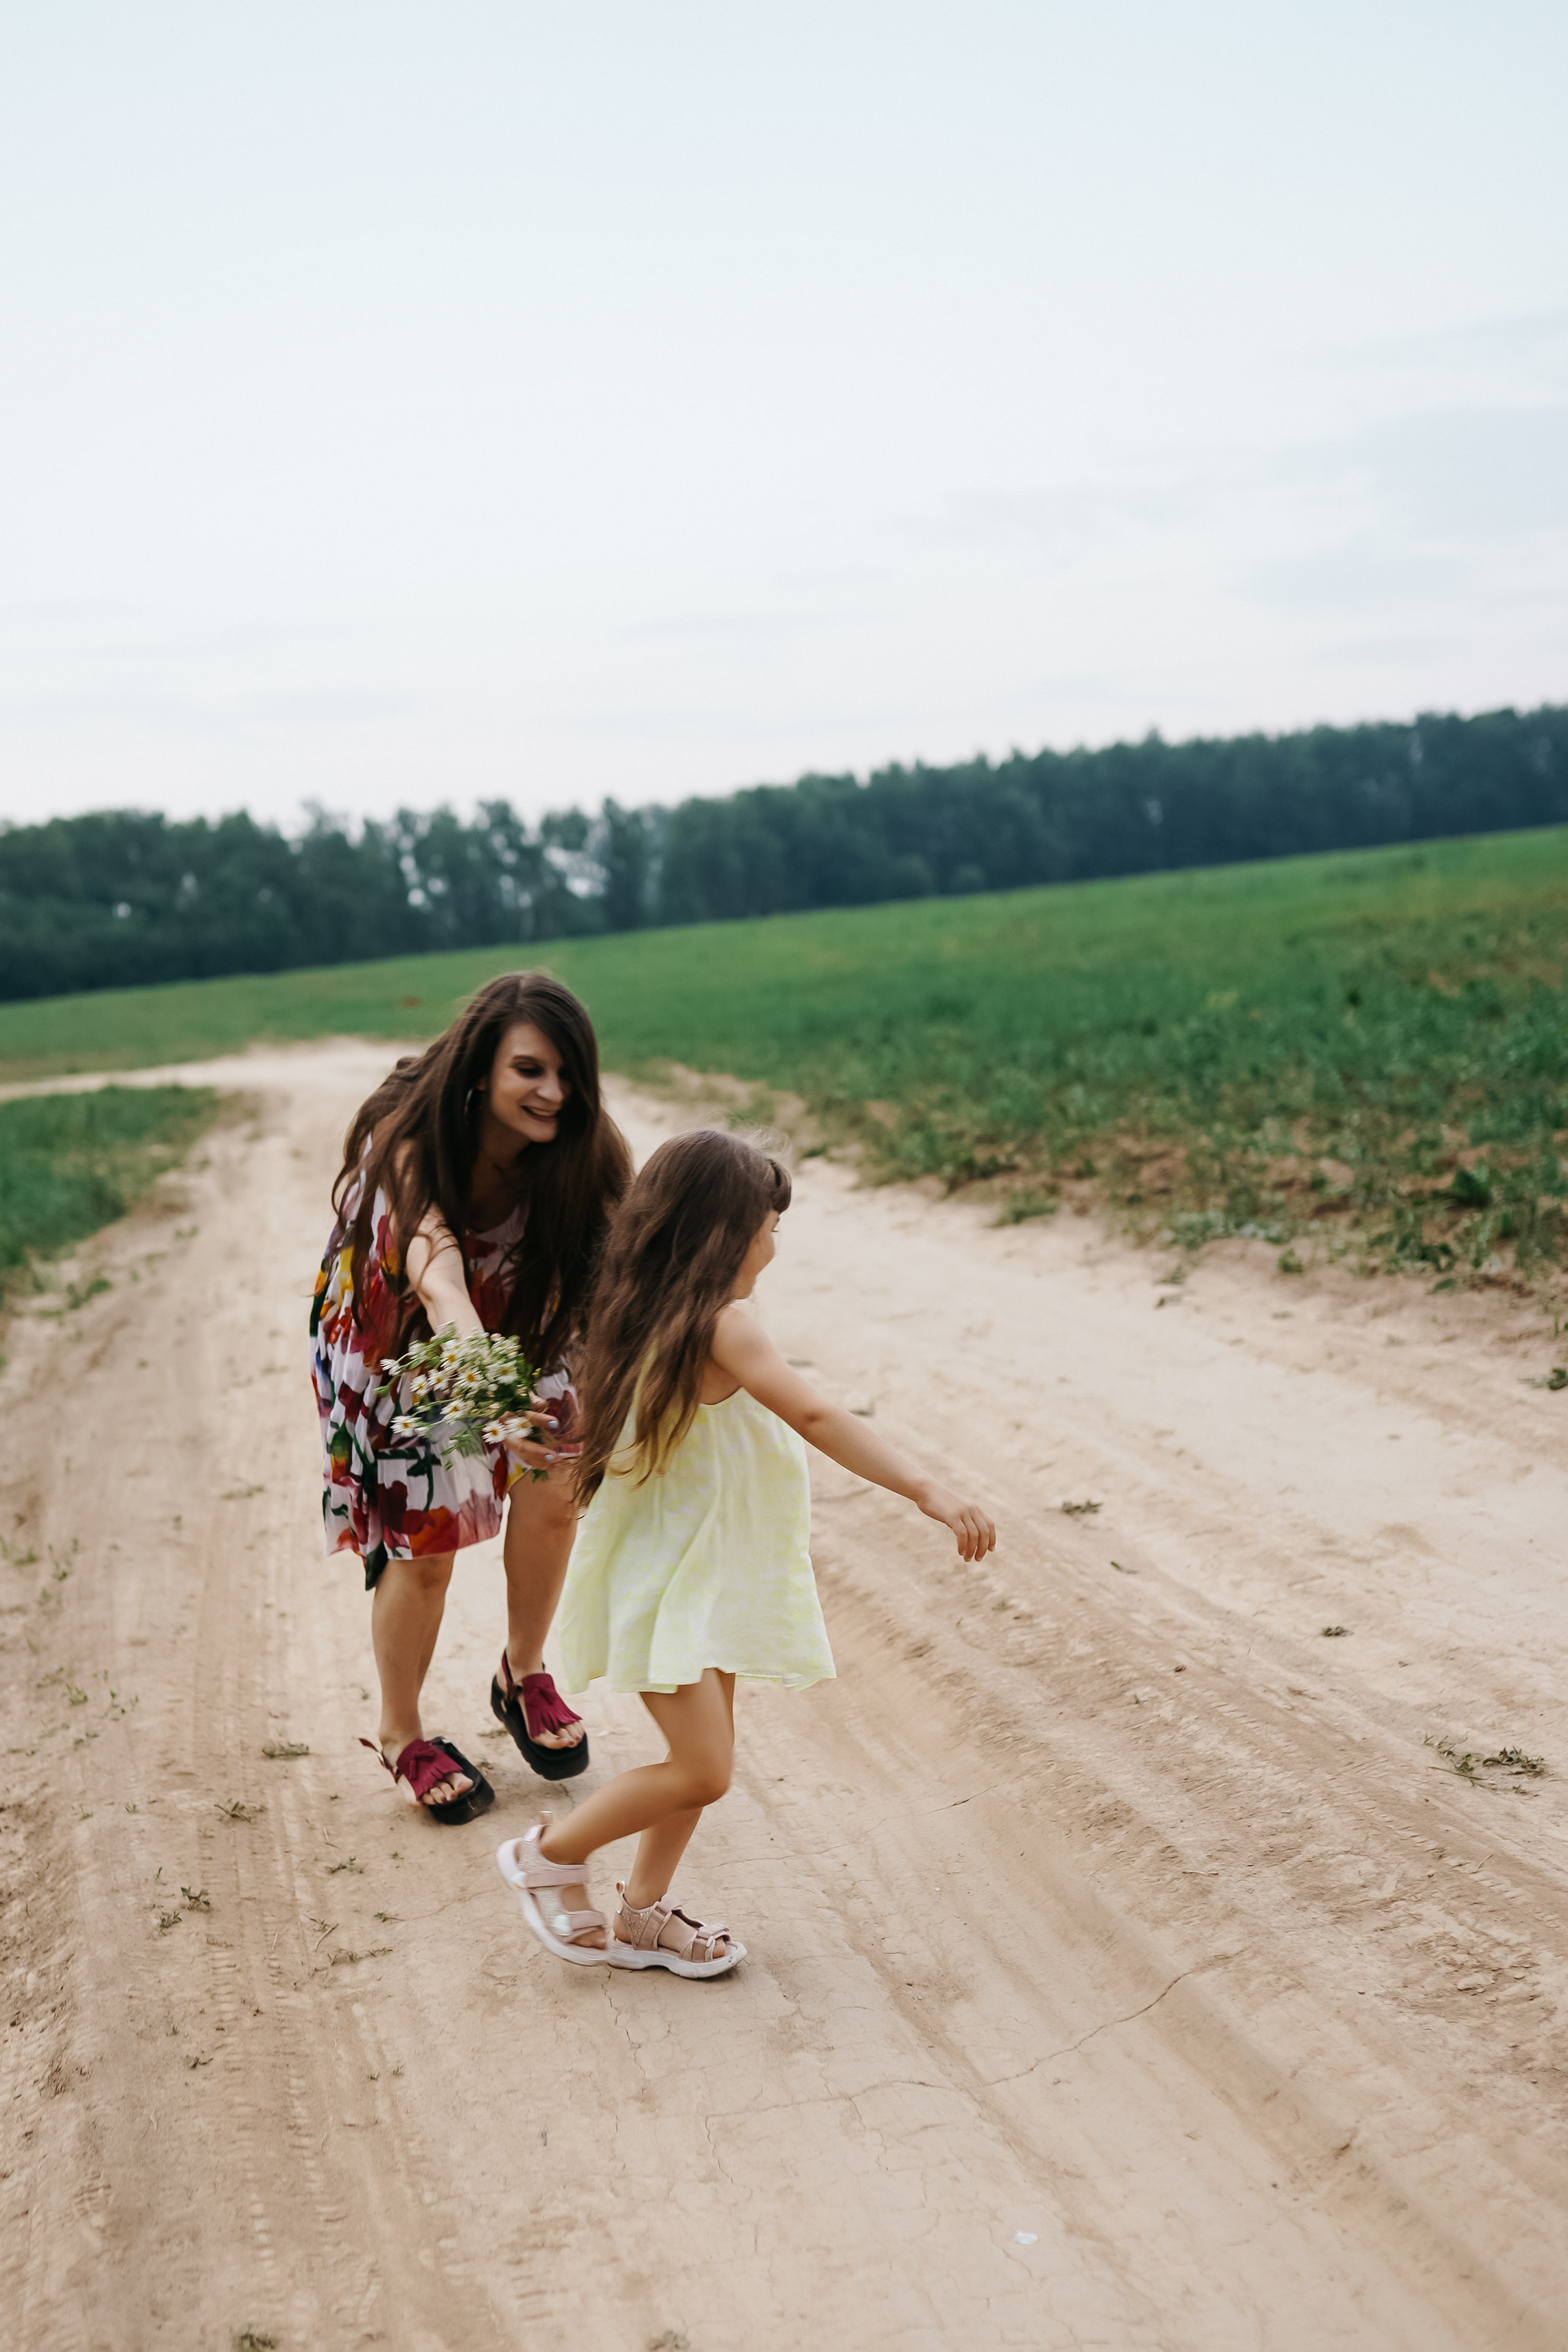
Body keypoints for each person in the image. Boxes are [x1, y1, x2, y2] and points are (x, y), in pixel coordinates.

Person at [495, 1128, 996, 1972]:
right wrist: (925, 1488)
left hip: (697, 1571)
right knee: (704, 1768)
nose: (773, 1243)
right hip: (676, 1579)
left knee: (700, 1757)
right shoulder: (724, 1326)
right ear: (725, 1232)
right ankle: (546, 1853)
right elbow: (815, 1415)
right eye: (767, 1224)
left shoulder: (637, 1313)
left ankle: (642, 1916)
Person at [311, 971, 631, 1819]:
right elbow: (445, 1292)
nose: (553, 1092)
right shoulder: (412, 1147)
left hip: (524, 1316)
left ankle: (521, 1671)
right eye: (530, 1069)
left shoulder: (582, 1152)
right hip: (409, 1337)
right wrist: (492, 1409)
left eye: (568, 1074)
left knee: (557, 1483)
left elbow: (623, 1276)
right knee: (429, 1547)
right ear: (481, 1069)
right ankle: (400, 1730)